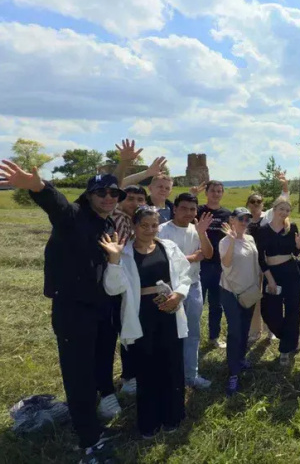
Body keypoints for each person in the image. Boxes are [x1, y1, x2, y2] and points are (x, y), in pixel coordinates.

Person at [0, 160, 123, 463]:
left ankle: (93, 422)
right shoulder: (73, 217)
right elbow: (57, 205)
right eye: (101, 192)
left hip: (100, 308)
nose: (109, 197)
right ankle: (90, 442)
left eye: (114, 192)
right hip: (74, 311)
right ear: (88, 195)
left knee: (98, 369)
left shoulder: (107, 223)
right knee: (80, 377)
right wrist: (38, 185)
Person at [100, 207, 190, 439]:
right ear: (134, 226)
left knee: (172, 366)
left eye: (154, 225)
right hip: (141, 315)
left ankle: (173, 417)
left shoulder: (167, 247)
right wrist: (113, 259)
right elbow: (112, 287)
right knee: (147, 370)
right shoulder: (126, 253)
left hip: (169, 311)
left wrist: (179, 294)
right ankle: (149, 423)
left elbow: (185, 275)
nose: (149, 230)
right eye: (144, 225)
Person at [157, 193, 214, 390]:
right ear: (175, 208)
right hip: (169, 289)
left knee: (192, 332)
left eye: (192, 209)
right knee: (168, 333)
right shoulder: (162, 230)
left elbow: (207, 254)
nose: (188, 213)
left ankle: (191, 375)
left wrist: (202, 233)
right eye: (184, 208)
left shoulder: (196, 230)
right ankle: (167, 375)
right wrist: (191, 257)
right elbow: (162, 261)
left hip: (193, 285)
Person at [257, 198, 300, 366]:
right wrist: (270, 279)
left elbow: (293, 251)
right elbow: (260, 257)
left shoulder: (291, 228)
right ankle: (289, 336)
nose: (284, 212)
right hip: (272, 273)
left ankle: (286, 350)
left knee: (293, 310)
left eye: (287, 210)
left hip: (291, 271)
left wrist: (299, 246)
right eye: (281, 208)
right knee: (270, 312)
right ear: (274, 209)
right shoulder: (263, 230)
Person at [219, 207, 262, 395]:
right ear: (232, 220)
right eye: (241, 219)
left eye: (247, 220)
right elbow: (226, 263)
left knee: (245, 328)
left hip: (249, 292)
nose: (244, 223)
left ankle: (241, 358)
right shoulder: (225, 241)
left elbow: (255, 264)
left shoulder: (250, 239)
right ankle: (233, 374)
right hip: (231, 292)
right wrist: (230, 239)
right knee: (235, 332)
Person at [244, 176, 289, 343]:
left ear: (263, 204)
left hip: (268, 263)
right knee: (254, 296)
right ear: (248, 204)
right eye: (252, 202)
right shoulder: (244, 219)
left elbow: (282, 203)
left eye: (259, 202)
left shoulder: (268, 217)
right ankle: (255, 331)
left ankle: (271, 328)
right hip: (250, 263)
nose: (256, 205)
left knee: (270, 296)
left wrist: (284, 186)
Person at [113, 184, 148, 396]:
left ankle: (135, 373)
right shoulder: (116, 218)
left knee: (135, 327)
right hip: (119, 279)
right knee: (126, 328)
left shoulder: (136, 219)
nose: (135, 203)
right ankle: (128, 377)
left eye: (140, 199)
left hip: (136, 279)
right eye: (130, 199)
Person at [190, 180, 231, 349]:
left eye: (219, 191)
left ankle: (213, 337)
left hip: (220, 265)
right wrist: (192, 196)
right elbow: (178, 213)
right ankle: (193, 337)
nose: (216, 194)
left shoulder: (227, 214)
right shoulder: (198, 211)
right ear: (206, 193)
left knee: (216, 304)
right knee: (196, 304)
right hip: (200, 263)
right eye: (213, 191)